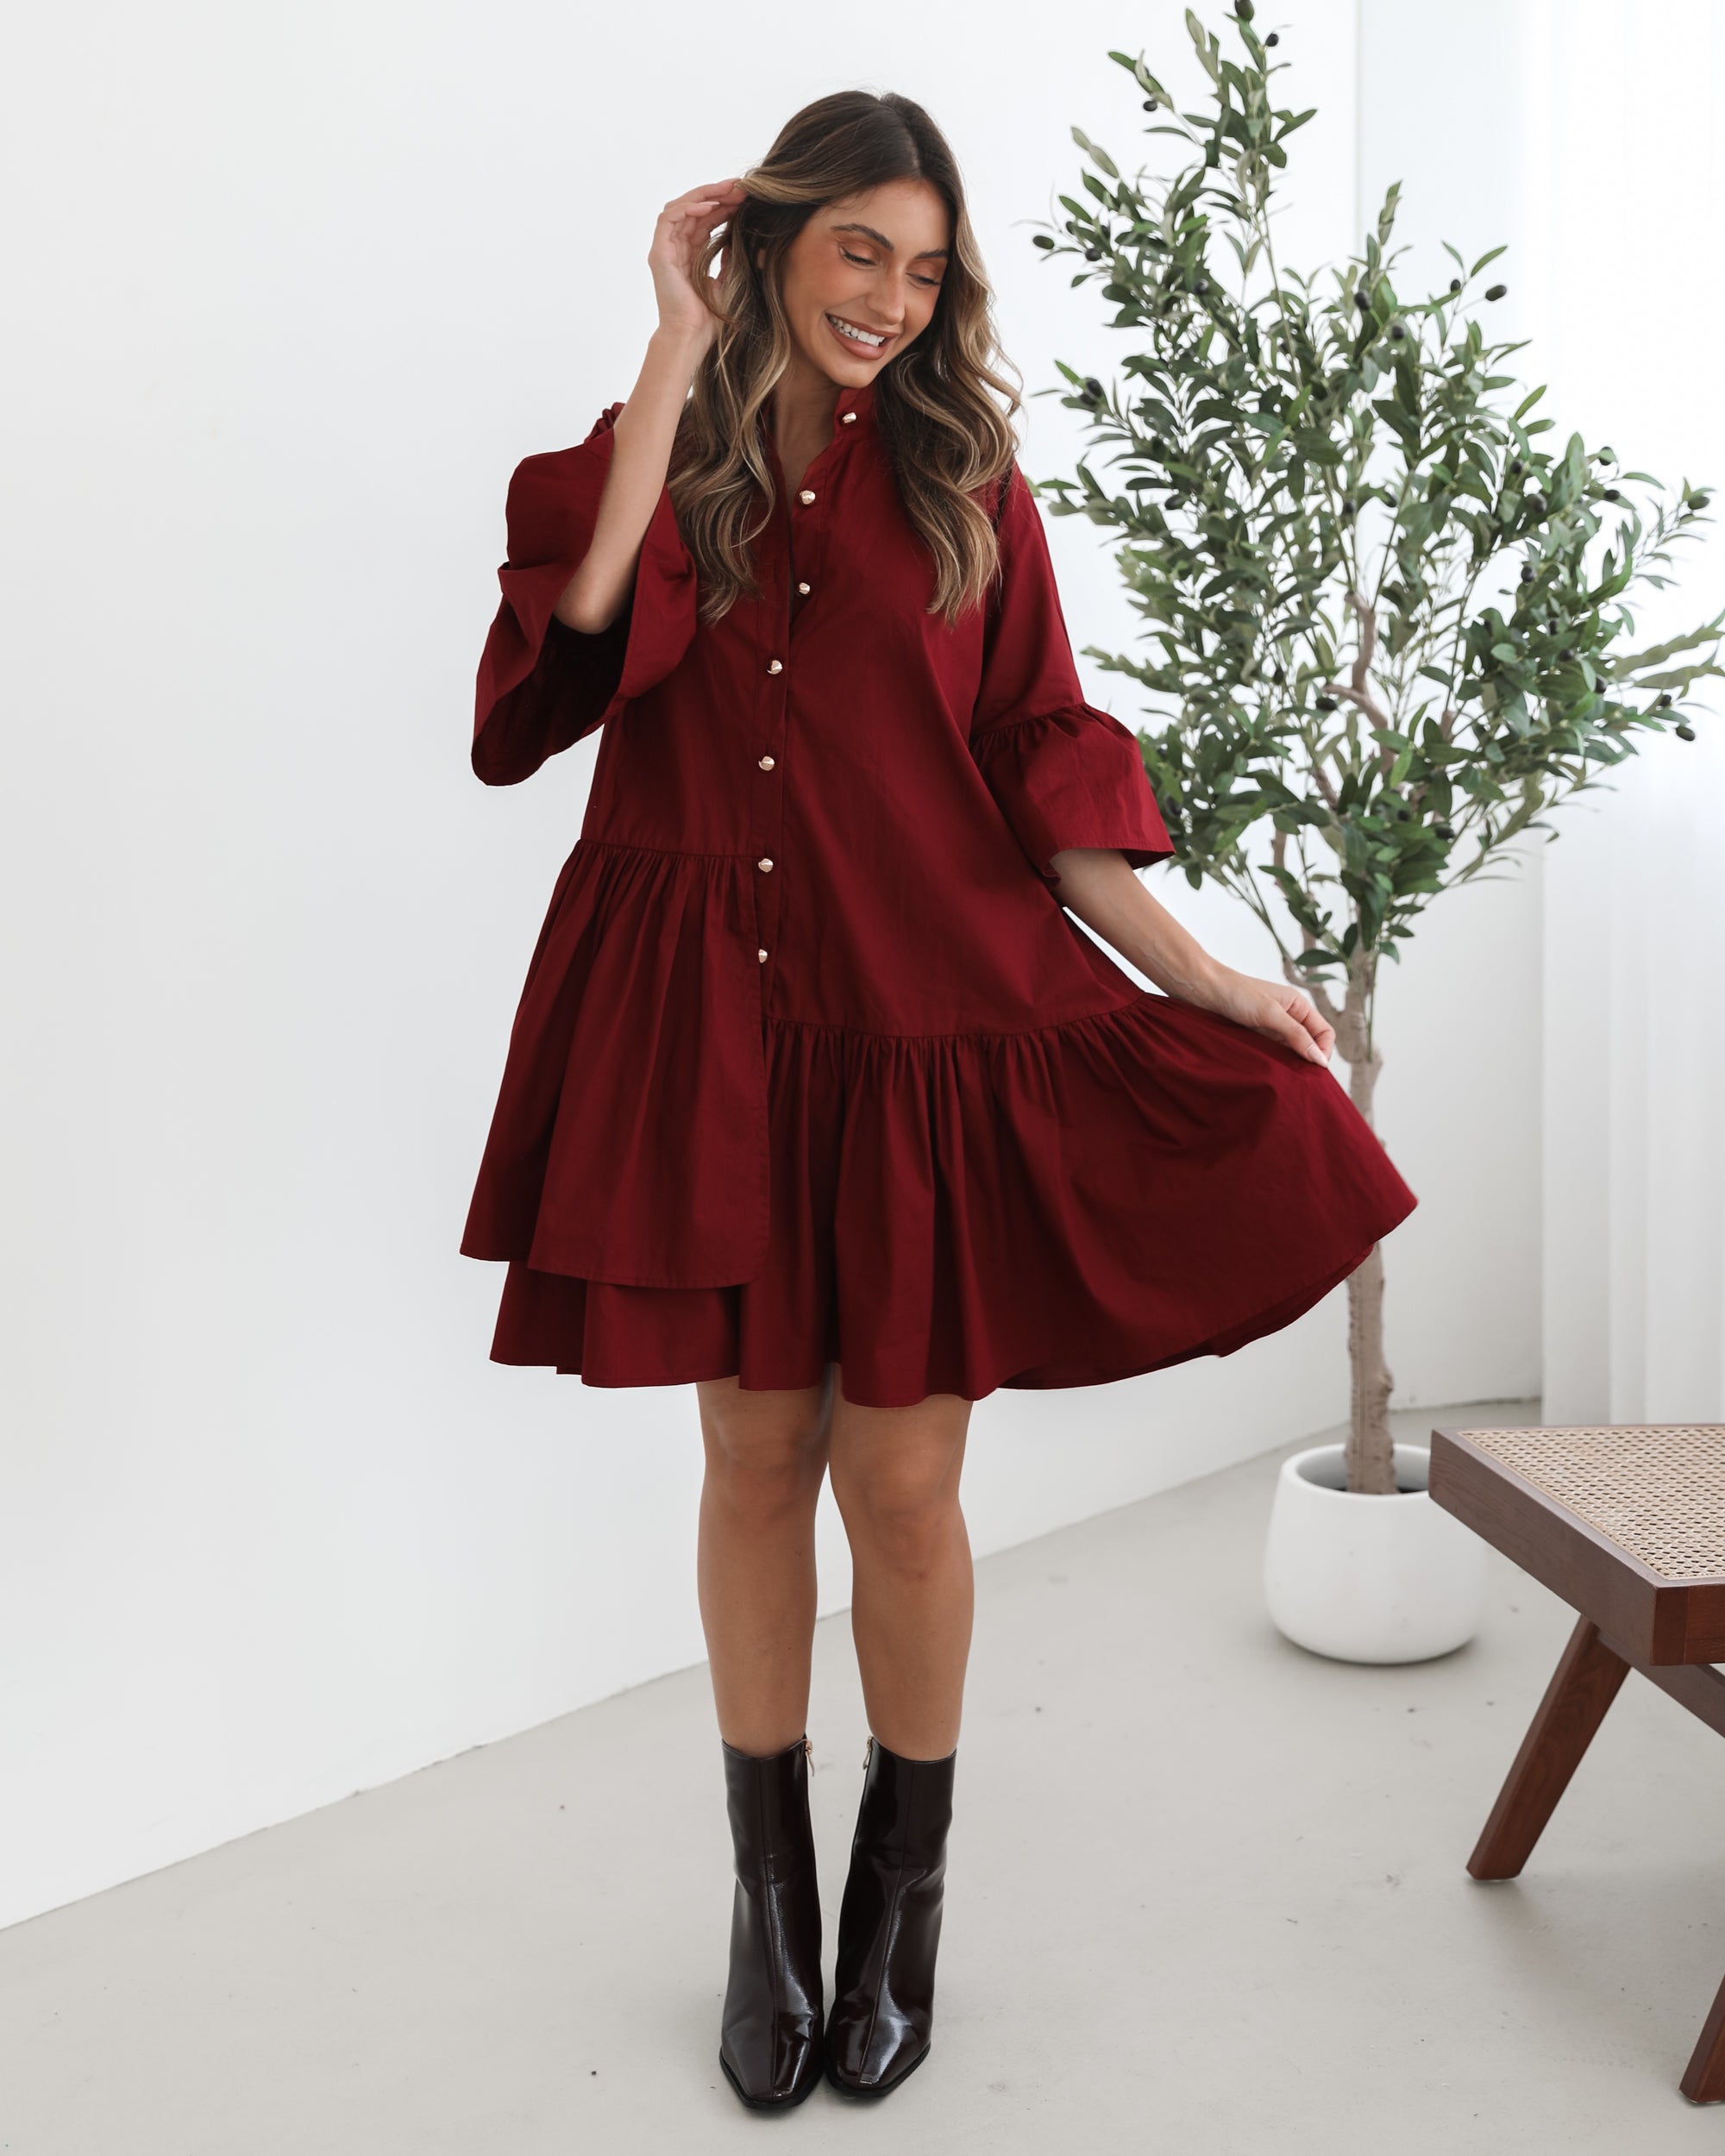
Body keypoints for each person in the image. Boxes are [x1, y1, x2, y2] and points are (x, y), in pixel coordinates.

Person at [460, 91, 1417, 2112]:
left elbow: (1045, 778)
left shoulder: (974, 481)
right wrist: (663, 343)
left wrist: (1217, 977)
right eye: (854, 254)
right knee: (748, 1463)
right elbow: (562, 659)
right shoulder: (656, 457)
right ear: (772, 244)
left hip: (922, 1034)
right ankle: (767, 1905)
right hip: (705, 1031)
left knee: (898, 1485)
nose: (890, 299)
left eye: (922, 264)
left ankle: (903, 1894)